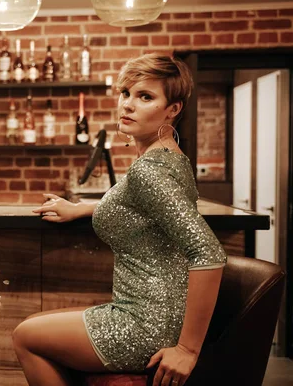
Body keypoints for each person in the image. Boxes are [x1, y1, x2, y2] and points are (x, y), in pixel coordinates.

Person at [12, 54, 227, 386]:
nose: (128, 104)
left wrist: (187, 349)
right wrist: (81, 209)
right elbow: (144, 210)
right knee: (41, 325)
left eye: (145, 97)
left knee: (25, 335)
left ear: (173, 109)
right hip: (162, 312)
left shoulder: (148, 170)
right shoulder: (171, 158)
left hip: (147, 322)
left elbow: (208, 253)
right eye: (126, 93)